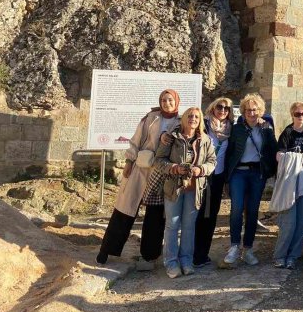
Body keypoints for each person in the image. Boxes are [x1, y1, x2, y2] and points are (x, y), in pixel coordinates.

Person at [96, 89, 179, 269]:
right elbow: (136, 140)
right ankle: (107, 248)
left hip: (162, 172)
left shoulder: (181, 122)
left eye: (170, 100)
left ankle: (149, 256)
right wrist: (128, 161)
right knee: (125, 209)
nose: (167, 103)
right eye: (164, 100)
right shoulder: (151, 118)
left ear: (176, 101)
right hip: (141, 168)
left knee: (155, 216)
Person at [155, 107, 217, 278]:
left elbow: (212, 161)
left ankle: (186, 261)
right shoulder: (171, 138)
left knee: (189, 227)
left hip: (194, 189)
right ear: (183, 119)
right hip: (174, 188)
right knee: (172, 225)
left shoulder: (205, 140)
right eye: (190, 116)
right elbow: (158, 161)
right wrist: (174, 168)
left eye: (197, 117)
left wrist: (201, 169)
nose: (193, 119)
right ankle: (171, 263)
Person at [223, 93, 278, 267]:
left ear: (260, 111)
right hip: (238, 173)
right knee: (237, 208)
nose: (252, 113)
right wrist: (226, 176)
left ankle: (248, 248)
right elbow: (230, 151)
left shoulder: (266, 128)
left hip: (256, 174)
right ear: (244, 112)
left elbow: (272, 149)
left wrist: (270, 171)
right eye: (248, 110)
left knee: (253, 211)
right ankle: (234, 247)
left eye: (255, 110)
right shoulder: (238, 128)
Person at [272, 102, 303, 269]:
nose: (301, 116)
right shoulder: (287, 132)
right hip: (290, 181)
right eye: (297, 114)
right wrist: (299, 158)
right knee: (288, 220)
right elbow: (279, 155)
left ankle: (293, 255)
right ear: (292, 115)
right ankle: (280, 254)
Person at [193, 97, 234, 267]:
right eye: (220, 106)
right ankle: (191, 253)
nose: (223, 110)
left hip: (218, 176)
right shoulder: (203, 125)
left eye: (226, 108)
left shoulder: (231, 129)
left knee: (210, 215)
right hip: (201, 174)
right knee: (196, 214)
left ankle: (202, 254)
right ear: (213, 107)